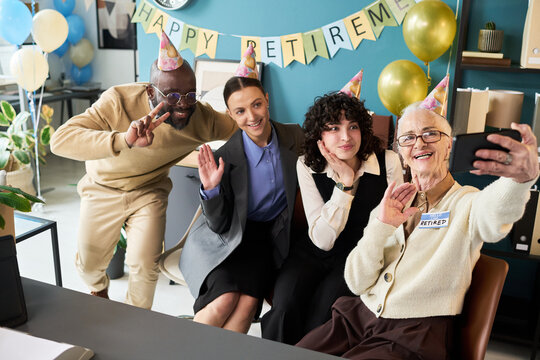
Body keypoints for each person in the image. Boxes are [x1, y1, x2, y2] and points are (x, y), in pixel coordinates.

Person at [296, 76, 539, 359]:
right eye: (408, 138)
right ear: (402, 153)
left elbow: (493, 217)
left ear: (449, 146)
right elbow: (356, 281)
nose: (419, 143)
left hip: (414, 334)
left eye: (430, 134)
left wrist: (520, 181)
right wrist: (381, 226)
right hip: (357, 319)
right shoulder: (393, 201)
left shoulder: (466, 202)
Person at [49, 32, 237, 309]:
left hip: (149, 191)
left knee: (145, 264)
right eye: (173, 95)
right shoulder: (117, 101)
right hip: (103, 187)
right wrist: (123, 140)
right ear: (150, 92)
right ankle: (98, 290)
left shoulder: (201, 117)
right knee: (90, 263)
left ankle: (137, 322)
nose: (184, 105)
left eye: (190, 94)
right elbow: (60, 140)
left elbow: (244, 126)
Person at [261, 72, 403, 344]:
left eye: (353, 127)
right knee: (284, 308)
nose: (345, 137)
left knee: (322, 317)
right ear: (320, 136)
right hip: (313, 251)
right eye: (333, 128)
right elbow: (323, 241)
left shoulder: (388, 163)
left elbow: (393, 227)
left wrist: (350, 180)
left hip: (358, 255)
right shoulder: (307, 164)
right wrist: (345, 187)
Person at [179, 45, 305, 334]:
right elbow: (219, 223)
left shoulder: (294, 137)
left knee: (248, 304)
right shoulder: (225, 156)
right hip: (224, 240)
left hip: (264, 238)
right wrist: (210, 189)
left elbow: (323, 157)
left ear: (267, 100)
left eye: (257, 104)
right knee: (223, 302)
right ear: (231, 115)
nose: (252, 116)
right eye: (240, 111)